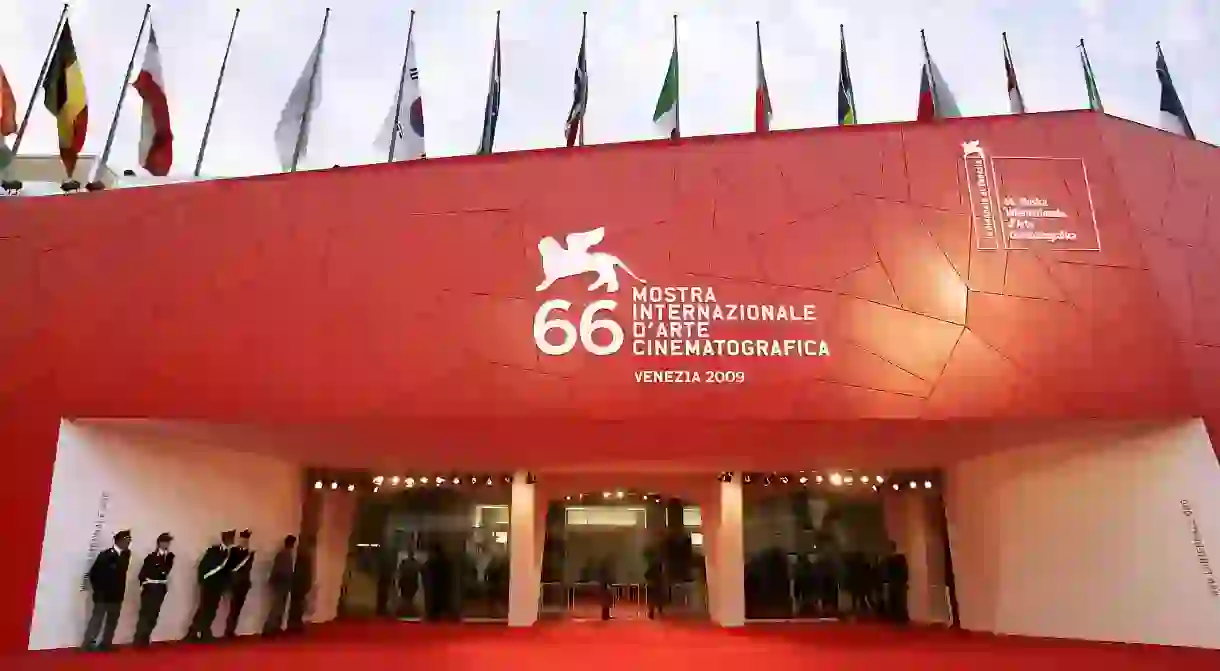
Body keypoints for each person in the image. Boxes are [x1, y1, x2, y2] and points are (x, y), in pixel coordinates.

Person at [81, 530, 132, 651]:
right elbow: (94, 574)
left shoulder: (126, 555)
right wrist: (99, 590)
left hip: (117, 595)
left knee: (112, 621)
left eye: (130, 540)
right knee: (97, 620)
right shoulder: (105, 555)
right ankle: (87, 644)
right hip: (103, 595)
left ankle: (106, 644)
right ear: (119, 541)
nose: (129, 543)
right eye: (126, 540)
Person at [186, 529, 235, 641]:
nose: (231, 541)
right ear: (225, 539)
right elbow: (203, 566)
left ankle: (205, 631)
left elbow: (228, 571)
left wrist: (226, 586)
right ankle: (194, 631)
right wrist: (202, 581)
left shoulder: (230, 554)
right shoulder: (213, 551)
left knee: (212, 610)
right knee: (204, 608)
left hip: (218, 586)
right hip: (208, 584)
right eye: (229, 539)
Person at [133, 532, 174, 647]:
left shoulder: (170, 557)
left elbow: (165, 571)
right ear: (159, 543)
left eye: (168, 542)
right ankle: (139, 639)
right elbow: (142, 573)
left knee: (154, 614)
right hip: (150, 588)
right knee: (146, 614)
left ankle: (146, 637)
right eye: (165, 541)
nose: (167, 544)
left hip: (160, 588)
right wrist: (145, 585)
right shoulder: (151, 557)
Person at [262, 535, 297, 636]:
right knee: (276, 607)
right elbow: (281, 571)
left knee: (279, 607)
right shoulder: (284, 555)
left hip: (281, 583)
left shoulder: (284, 554)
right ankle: (269, 628)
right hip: (280, 584)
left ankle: (274, 627)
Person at [224, 530, 255, 637]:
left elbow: (248, 569)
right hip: (235, 583)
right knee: (234, 608)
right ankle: (229, 630)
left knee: (237, 609)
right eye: (243, 539)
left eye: (246, 540)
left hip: (244, 584)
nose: (245, 542)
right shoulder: (234, 552)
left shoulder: (249, 554)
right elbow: (230, 567)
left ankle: (231, 630)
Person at [287, 547, 314, 633]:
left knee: (296, 606)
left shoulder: (297, 561)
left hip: (297, 587)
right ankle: (295, 624)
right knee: (298, 606)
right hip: (300, 587)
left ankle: (294, 624)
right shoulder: (305, 562)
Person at [397, 550, 421, 618]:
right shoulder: (415, 563)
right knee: (409, 598)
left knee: (406, 598)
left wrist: (399, 582)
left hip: (406, 582)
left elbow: (400, 571)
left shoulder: (404, 562)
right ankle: (409, 611)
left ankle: (405, 611)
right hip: (411, 582)